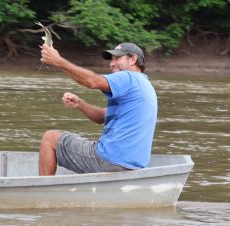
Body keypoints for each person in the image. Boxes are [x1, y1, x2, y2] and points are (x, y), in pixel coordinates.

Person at [39, 42, 158, 176]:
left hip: (110, 160)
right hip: (131, 166)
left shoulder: (129, 78)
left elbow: (92, 81)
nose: (112, 63)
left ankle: (41, 194)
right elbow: (102, 116)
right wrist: (80, 104)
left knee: (50, 138)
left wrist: (58, 61)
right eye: (111, 59)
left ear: (133, 59)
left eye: (117, 58)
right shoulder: (144, 85)